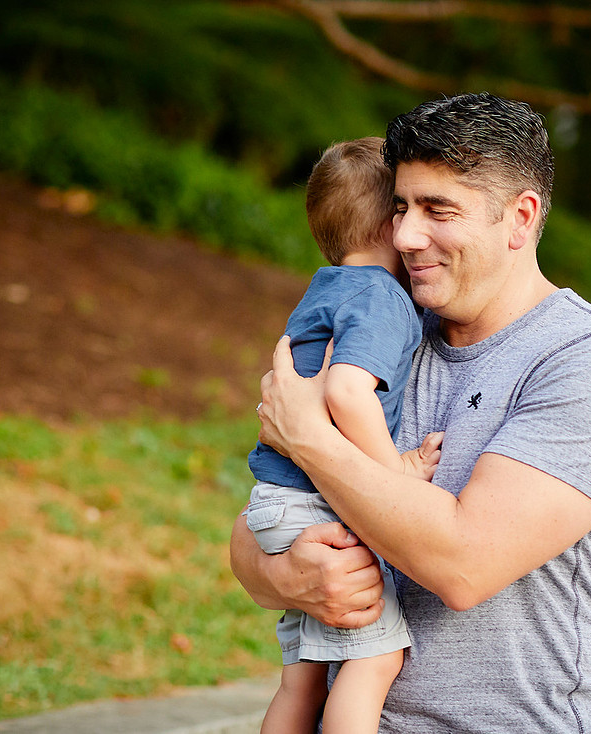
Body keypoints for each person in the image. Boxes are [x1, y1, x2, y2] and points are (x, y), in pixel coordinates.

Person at [233, 93, 591, 733]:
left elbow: (462, 566)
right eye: (400, 206)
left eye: (438, 210)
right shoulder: (385, 333)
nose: (405, 235)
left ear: (519, 218)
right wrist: (285, 574)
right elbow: (253, 527)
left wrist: (310, 438)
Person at [246, 137, 443, 734]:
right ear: (393, 224)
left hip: (276, 504)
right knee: (377, 658)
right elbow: (348, 392)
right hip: (317, 508)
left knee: (302, 678)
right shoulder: (381, 297)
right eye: (409, 210)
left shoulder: (326, 287)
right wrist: (397, 471)